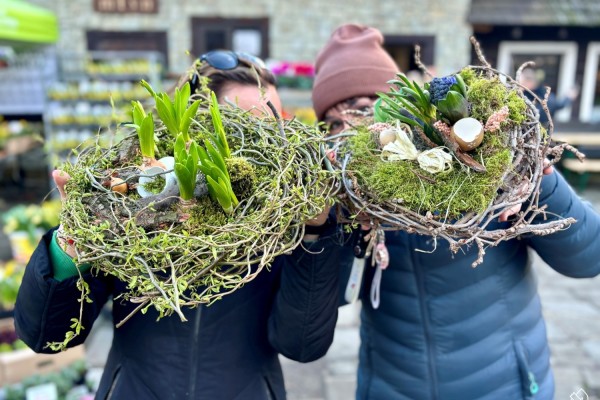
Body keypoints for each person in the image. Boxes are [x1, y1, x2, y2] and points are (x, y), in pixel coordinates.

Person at [15, 51, 339, 400]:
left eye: (274, 128)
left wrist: (316, 231)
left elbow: (302, 346)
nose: (265, 149)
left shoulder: (287, 215)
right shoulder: (137, 196)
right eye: (247, 129)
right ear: (195, 121)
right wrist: (73, 246)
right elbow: (46, 336)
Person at [312, 23, 600, 399]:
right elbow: (329, 302)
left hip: (502, 383)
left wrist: (536, 179)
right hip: (392, 384)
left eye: (365, 109)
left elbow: (588, 257)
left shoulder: (486, 171)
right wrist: (324, 226)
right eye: (334, 121)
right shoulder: (343, 200)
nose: (351, 127)